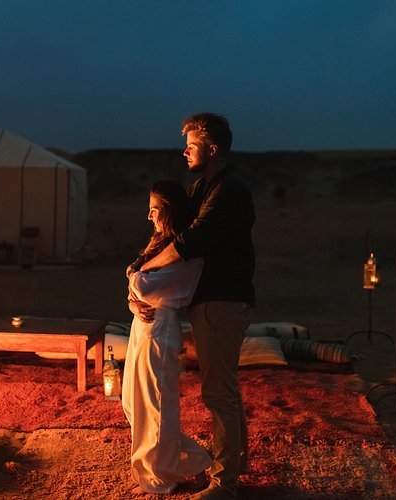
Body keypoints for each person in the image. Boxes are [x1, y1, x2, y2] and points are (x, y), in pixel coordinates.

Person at [138, 113, 255, 500]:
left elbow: (190, 241)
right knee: (225, 390)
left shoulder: (229, 190)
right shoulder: (203, 187)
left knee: (218, 394)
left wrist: (142, 273)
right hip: (212, 300)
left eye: (191, 146)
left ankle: (224, 484)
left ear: (213, 148)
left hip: (223, 300)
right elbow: (174, 227)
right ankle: (235, 465)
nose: (184, 152)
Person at [122, 180, 213, 494]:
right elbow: (138, 286)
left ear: (171, 211)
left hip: (161, 327)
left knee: (156, 406)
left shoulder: (186, 254)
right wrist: (132, 299)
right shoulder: (159, 245)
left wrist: (134, 280)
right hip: (142, 324)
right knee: (133, 402)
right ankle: (195, 461)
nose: (149, 215)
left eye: (155, 209)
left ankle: (161, 476)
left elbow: (143, 285)